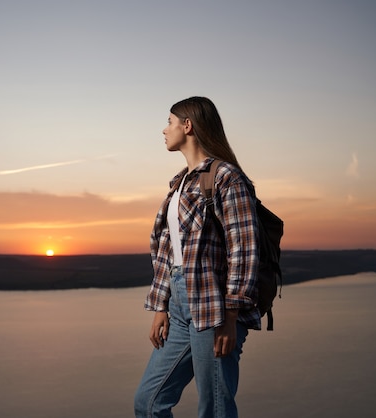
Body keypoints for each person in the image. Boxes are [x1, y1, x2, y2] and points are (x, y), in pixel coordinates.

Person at [134, 97, 261, 418]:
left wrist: (231, 317)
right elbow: (169, 252)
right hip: (179, 307)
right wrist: (161, 306)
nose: (164, 130)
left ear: (187, 126)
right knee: (148, 402)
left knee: (214, 408)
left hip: (215, 307)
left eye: (170, 122)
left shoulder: (226, 177)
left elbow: (243, 249)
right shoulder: (180, 183)